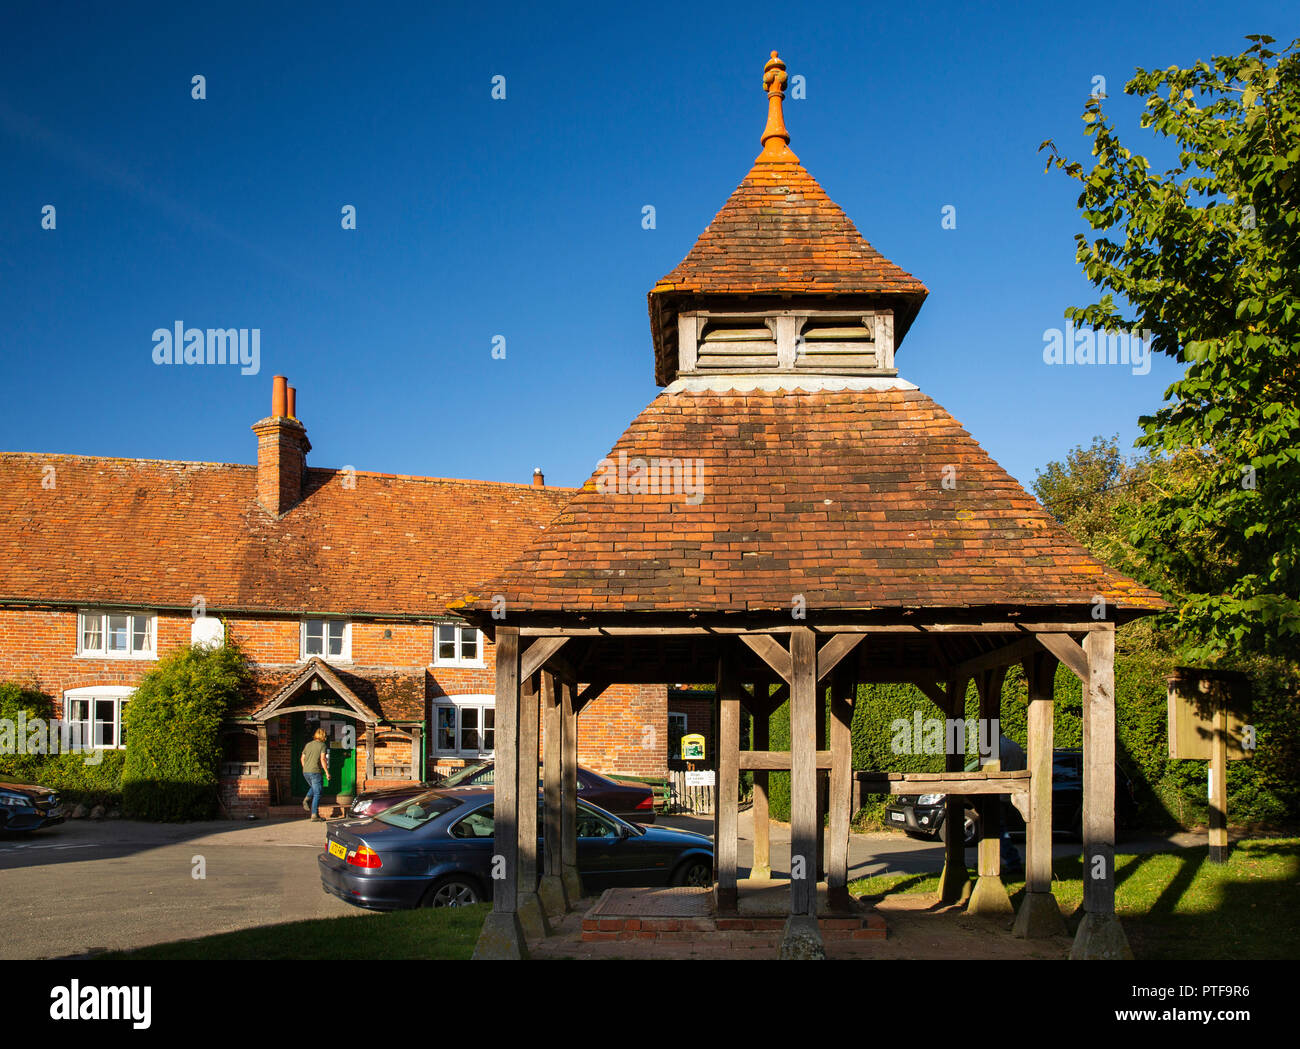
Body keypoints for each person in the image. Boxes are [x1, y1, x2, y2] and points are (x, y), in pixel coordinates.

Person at [300, 727, 330, 822]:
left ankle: (307, 799)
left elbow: (302, 758)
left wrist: (306, 767)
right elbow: (323, 759)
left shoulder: (308, 744)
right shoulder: (322, 745)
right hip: (315, 771)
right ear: (323, 736)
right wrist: (327, 772)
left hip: (306, 771)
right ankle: (314, 815)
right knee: (318, 793)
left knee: (314, 787)